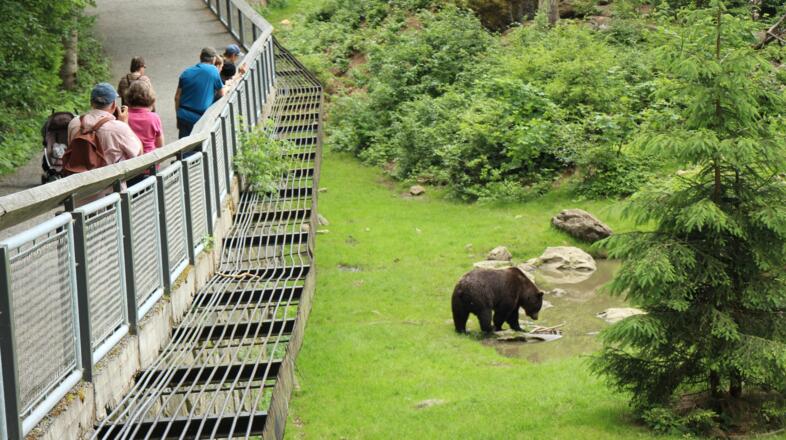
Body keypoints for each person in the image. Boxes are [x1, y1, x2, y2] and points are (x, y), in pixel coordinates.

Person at [67, 83, 142, 166]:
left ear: (91, 103)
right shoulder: (120, 128)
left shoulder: (74, 123)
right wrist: (125, 124)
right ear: (113, 104)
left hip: (80, 175)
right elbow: (139, 154)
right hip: (111, 177)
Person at [175, 47, 225, 138]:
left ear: (200, 57)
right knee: (198, 148)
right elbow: (222, 93)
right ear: (214, 59)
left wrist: (178, 116)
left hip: (183, 114)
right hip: (199, 118)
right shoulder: (213, 70)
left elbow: (177, 97)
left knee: (183, 146)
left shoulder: (186, 72)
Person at [126, 80, 164, 155]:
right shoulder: (154, 117)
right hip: (150, 159)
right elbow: (160, 145)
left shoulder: (124, 117)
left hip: (130, 160)